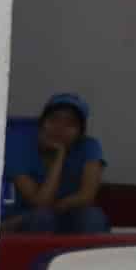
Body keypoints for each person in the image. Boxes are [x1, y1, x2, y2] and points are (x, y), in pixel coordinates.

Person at [7, 92, 107, 234]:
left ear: (80, 133)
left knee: (93, 217)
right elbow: (40, 203)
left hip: (67, 212)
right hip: (29, 216)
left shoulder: (89, 146)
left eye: (70, 124)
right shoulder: (19, 145)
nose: (59, 128)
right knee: (42, 218)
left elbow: (87, 195)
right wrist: (59, 157)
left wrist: (58, 207)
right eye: (54, 119)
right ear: (41, 123)